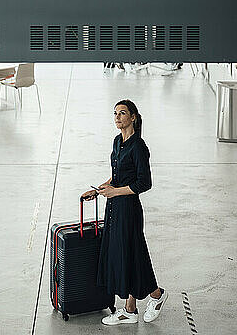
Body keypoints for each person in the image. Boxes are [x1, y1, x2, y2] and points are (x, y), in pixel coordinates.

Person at [81, 99, 167, 326]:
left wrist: (115, 192)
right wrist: (99, 190)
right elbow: (116, 175)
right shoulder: (117, 142)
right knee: (125, 255)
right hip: (115, 206)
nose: (117, 117)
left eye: (122, 113)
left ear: (133, 118)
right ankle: (130, 309)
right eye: (115, 113)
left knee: (133, 253)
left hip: (128, 209)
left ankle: (157, 295)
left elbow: (144, 183)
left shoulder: (138, 147)